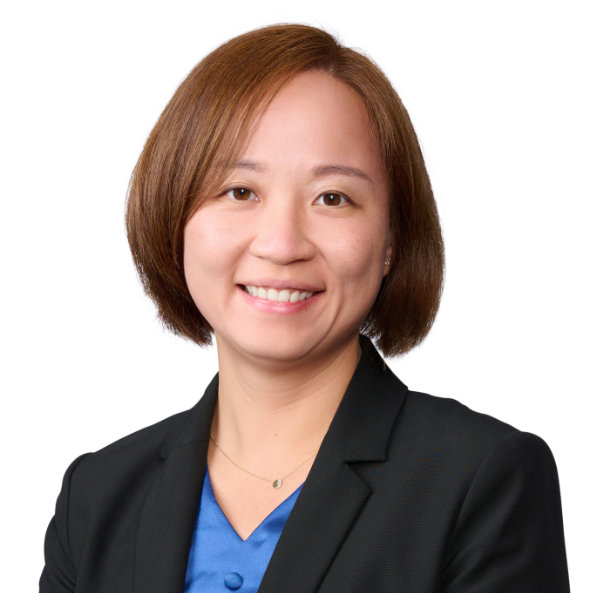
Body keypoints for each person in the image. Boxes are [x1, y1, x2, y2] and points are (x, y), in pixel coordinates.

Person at [39, 24, 570, 593]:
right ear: (175, 216)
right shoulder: (96, 496)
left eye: (332, 198)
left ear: (391, 241)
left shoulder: (482, 479)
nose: (282, 244)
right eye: (240, 191)